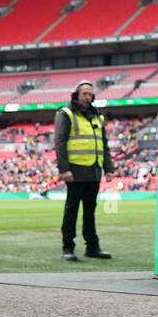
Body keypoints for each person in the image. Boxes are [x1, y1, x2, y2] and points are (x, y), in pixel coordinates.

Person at [54, 82, 114, 262]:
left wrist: (108, 168)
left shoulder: (97, 117)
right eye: (84, 94)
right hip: (75, 170)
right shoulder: (66, 114)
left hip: (94, 170)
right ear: (76, 95)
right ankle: (68, 247)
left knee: (90, 211)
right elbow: (60, 142)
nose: (88, 97)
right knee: (71, 211)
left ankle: (92, 247)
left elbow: (103, 144)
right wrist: (64, 169)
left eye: (90, 94)